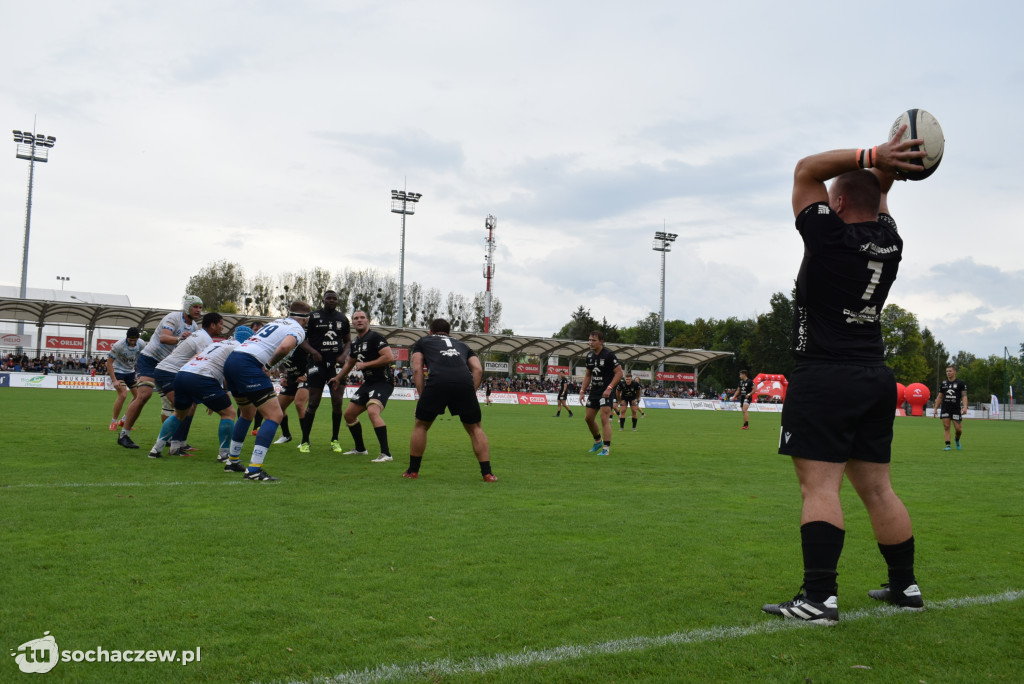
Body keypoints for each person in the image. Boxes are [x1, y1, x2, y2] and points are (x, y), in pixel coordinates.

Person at [761, 125, 928, 625]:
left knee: (820, 488)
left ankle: (819, 598)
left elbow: (805, 170)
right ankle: (905, 585)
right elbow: (873, 193)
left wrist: (878, 154)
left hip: (825, 376)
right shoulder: (889, 240)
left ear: (833, 206)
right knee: (879, 489)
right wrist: (892, 164)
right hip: (874, 379)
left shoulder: (829, 237)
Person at [222, 302, 311, 481]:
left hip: (233, 360)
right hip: (249, 364)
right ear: (305, 319)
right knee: (274, 416)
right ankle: (254, 470)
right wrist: (268, 366)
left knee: (247, 414)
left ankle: (232, 461)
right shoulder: (298, 329)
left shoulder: (276, 322)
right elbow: (285, 347)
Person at [404, 318, 496, 482]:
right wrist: (470, 392)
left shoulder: (423, 341)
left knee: (421, 425)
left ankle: (412, 471)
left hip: (438, 381)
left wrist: (422, 397)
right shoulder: (463, 345)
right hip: (464, 383)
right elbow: (478, 369)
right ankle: (487, 474)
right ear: (449, 332)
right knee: (475, 428)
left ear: (430, 331)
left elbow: (417, 368)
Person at [147, 326, 254, 462]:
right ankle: (224, 455)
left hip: (183, 373)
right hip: (202, 378)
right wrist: (223, 391)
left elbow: (192, 359)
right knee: (229, 413)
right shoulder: (239, 348)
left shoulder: (217, 344)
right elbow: (230, 373)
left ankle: (156, 450)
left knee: (179, 414)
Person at [117, 295, 202, 449]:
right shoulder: (173, 318)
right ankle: (124, 434)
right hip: (150, 359)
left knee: (177, 402)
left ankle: (174, 441)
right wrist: (179, 339)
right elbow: (164, 338)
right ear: (187, 307)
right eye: (195, 306)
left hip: (167, 364)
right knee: (144, 394)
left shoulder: (194, 327)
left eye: (200, 307)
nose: (198, 310)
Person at [146, 312, 225, 457]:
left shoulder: (200, 335)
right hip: (168, 372)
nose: (223, 327)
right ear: (213, 325)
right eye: (221, 323)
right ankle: (170, 448)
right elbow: (206, 365)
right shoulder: (205, 340)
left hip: (172, 372)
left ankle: (180, 443)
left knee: (191, 408)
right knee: (182, 410)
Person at [328, 310, 395, 462]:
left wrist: (365, 364)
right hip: (368, 383)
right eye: (356, 318)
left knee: (373, 411)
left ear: (368, 321)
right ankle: (360, 449)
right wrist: (338, 378)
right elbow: (350, 363)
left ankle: (386, 454)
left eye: (362, 318)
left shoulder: (375, 337)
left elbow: (389, 357)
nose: (359, 320)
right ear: (353, 323)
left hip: (383, 382)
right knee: (349, 415)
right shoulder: (356, 343)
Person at [297, 290, 352, 453]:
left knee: (337, 401)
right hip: (316, 364)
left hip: (336, 365)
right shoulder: (312, 317)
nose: (332, 301)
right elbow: (301, 339)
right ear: (323, 300)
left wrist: (343, 355)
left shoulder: (343, 318)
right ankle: (305, 441)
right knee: (313, 402)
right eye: (329, 298)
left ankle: (335, 439)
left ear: (338, 301)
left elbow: (348, 341)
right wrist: (314, 352)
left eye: (335, 298)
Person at [579, 331, 622, 456]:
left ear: (601, 341)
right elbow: (588, 375)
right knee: (588, 418)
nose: (590, 342)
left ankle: (606, 449)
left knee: (604, 418)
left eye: (594, 340)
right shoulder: (589, 356)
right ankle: (598, 441)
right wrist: (582, 391)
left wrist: (609, 388)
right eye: (590, 340)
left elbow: (619, 373)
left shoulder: (609, 355)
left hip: (606, 392)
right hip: (594, 391)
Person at [272, 340, 309, 445]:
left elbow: (313, 359)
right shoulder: (281, 347)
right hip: (291, 378)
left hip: (306, 378)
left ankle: (305, 440)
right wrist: (283, 376)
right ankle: (286, 435)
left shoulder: (301, 346)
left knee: (299, 404)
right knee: (279, 408)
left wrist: (306, 375)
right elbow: (280, 362)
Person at [105, 327, 143, 431]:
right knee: (123, 395)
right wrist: (114, 380)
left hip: (130, 372)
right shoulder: (118, 346)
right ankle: (113, 422)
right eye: (130, 340)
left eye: (134, 340)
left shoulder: (141, 344)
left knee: (138, 396)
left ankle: (123, 421)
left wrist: (137, 374)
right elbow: (109, 363)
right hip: (118, 371)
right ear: (127, 338)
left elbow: (141, 359)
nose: (132, 342)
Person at [933, 365, 967, 451]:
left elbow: (964, 396)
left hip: (956, 408)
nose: (948, 372)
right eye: (947, 371)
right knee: (946, 426)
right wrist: (936, 408)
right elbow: (940, 397)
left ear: (955, 372)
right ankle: (948, 445)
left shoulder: (960, 383)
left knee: (958, 429)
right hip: (945, 408)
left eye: (950, 371)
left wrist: (965, 407)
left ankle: (957, 440)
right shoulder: (943, 384)